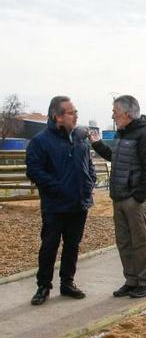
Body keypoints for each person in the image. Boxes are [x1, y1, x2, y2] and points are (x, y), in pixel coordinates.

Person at [25, 96, 96, 305]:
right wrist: (59, 188)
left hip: (79, 203)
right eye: (71, 112)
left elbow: (88, 164)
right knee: (49, 246)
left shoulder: (80, 139)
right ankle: (43, 286)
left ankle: (68, 283)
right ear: (57, 116)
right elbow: (34, 171)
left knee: (72, 245)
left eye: (75, 112)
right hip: (55, 205)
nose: (76, 115)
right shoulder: (40, 142)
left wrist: (89, 183)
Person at [88, 95, 146, 299]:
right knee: (124, 242)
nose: (113, 115)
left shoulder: (145, 134)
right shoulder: (122, 134)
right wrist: (97, 144)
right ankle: (132, 280)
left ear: (127, 113)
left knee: (139, 242)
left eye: (115, 111)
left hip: (133, 199)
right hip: (118, 197)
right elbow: (115, 157)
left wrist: (138, 197)